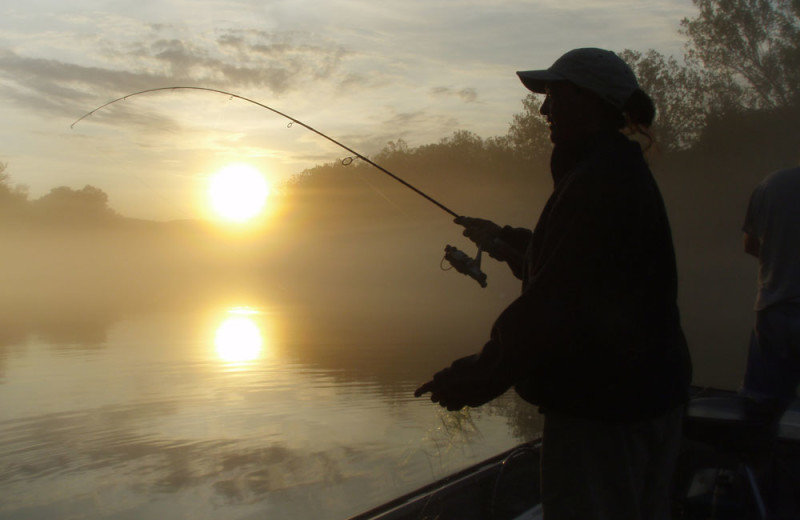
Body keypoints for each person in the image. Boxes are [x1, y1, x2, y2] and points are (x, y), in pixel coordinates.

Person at [415, 48, 692, 520]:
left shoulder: (597, 182)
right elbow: (578, 269)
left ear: (589, 101)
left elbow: (555, 307)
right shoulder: (613, 173)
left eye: (554, 96)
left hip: (604, 410)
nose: (543, 110)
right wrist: (501, 239)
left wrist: (475, 377)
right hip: (645, 398)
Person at [741, 166, 800, 432]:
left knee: (762, 407)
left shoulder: (771, 185)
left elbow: (750, 245)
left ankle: (759, 469)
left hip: (774, 311)